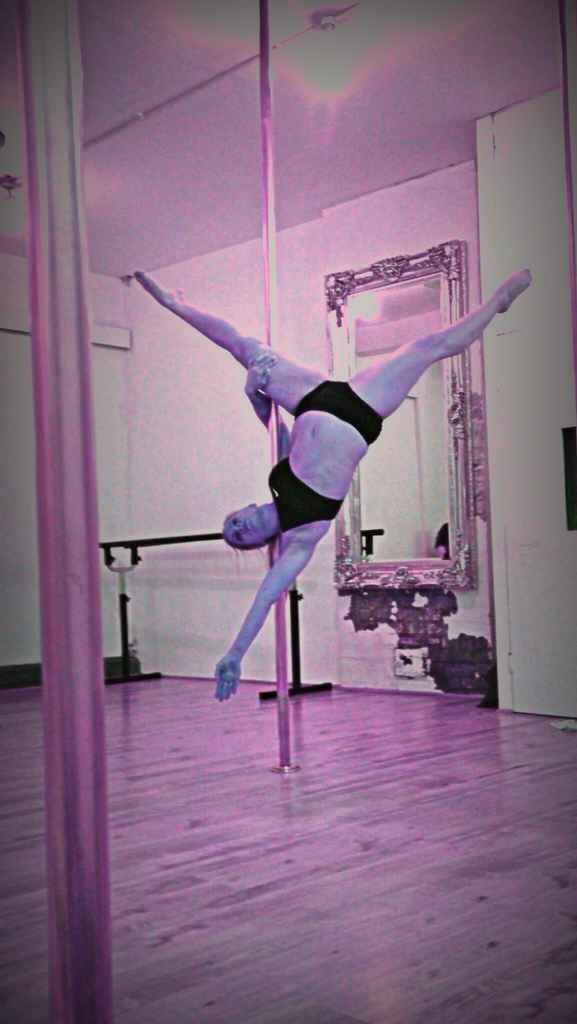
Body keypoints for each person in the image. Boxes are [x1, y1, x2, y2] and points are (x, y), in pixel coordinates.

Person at [134, 267, 532, 701]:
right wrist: (234, 654)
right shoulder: (300, 537)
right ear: (261, 542)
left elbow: (276, 427)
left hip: (312, 398)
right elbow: (264, 599)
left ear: (245, 509)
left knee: (248, 351)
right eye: (240, 537)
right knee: (425, 348)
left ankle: (176, 304)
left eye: (234, 522)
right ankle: (497, 304)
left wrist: (253, 391)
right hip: (361, 410)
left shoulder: (277, 480)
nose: (240, 527)